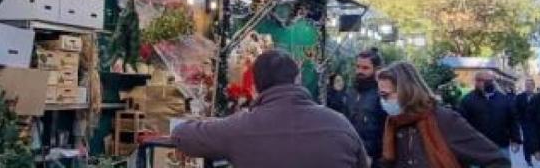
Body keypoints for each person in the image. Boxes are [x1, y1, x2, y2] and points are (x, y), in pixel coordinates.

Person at [172, 49, 370, 168]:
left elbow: (182, 134)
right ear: (297, 79)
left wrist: (207, 122)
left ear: (256, 87)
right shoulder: (339, 123)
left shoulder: (241, 127)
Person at [377, 61, 510, 168]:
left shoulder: (444, 119)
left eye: (385, 95)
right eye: (380, 95)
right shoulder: (394, 123)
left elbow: (497, 160)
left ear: (407, 91)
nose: (383, 101)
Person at [460, 71, 522, 157]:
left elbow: (512, 120)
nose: (487, 83)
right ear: (476, 82)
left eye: (490, 81)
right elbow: (462, 124)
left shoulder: (504, 99)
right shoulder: (467, 100)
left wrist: (516, 139)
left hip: (500, 146)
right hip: (477, 148)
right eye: (483, 80)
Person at [345, 48, 389, 166]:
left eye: (365, 68)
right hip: (351, 156)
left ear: (376, 69)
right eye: (358, 67)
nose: (360, 71)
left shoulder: (383, 94)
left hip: (375, 159)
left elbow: (387, 131)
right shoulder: (351, 92)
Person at [514, 78, 538, 167]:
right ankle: (528, 159)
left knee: (535, 140)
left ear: (533, 86)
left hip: (536, 124)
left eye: (530, 85)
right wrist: (518, 122)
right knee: (527, 140)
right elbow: (515, 110)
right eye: (526, 85)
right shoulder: (519, 97)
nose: (528, 87)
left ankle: (535, 153)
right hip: (524, 123)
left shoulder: (538, 97)